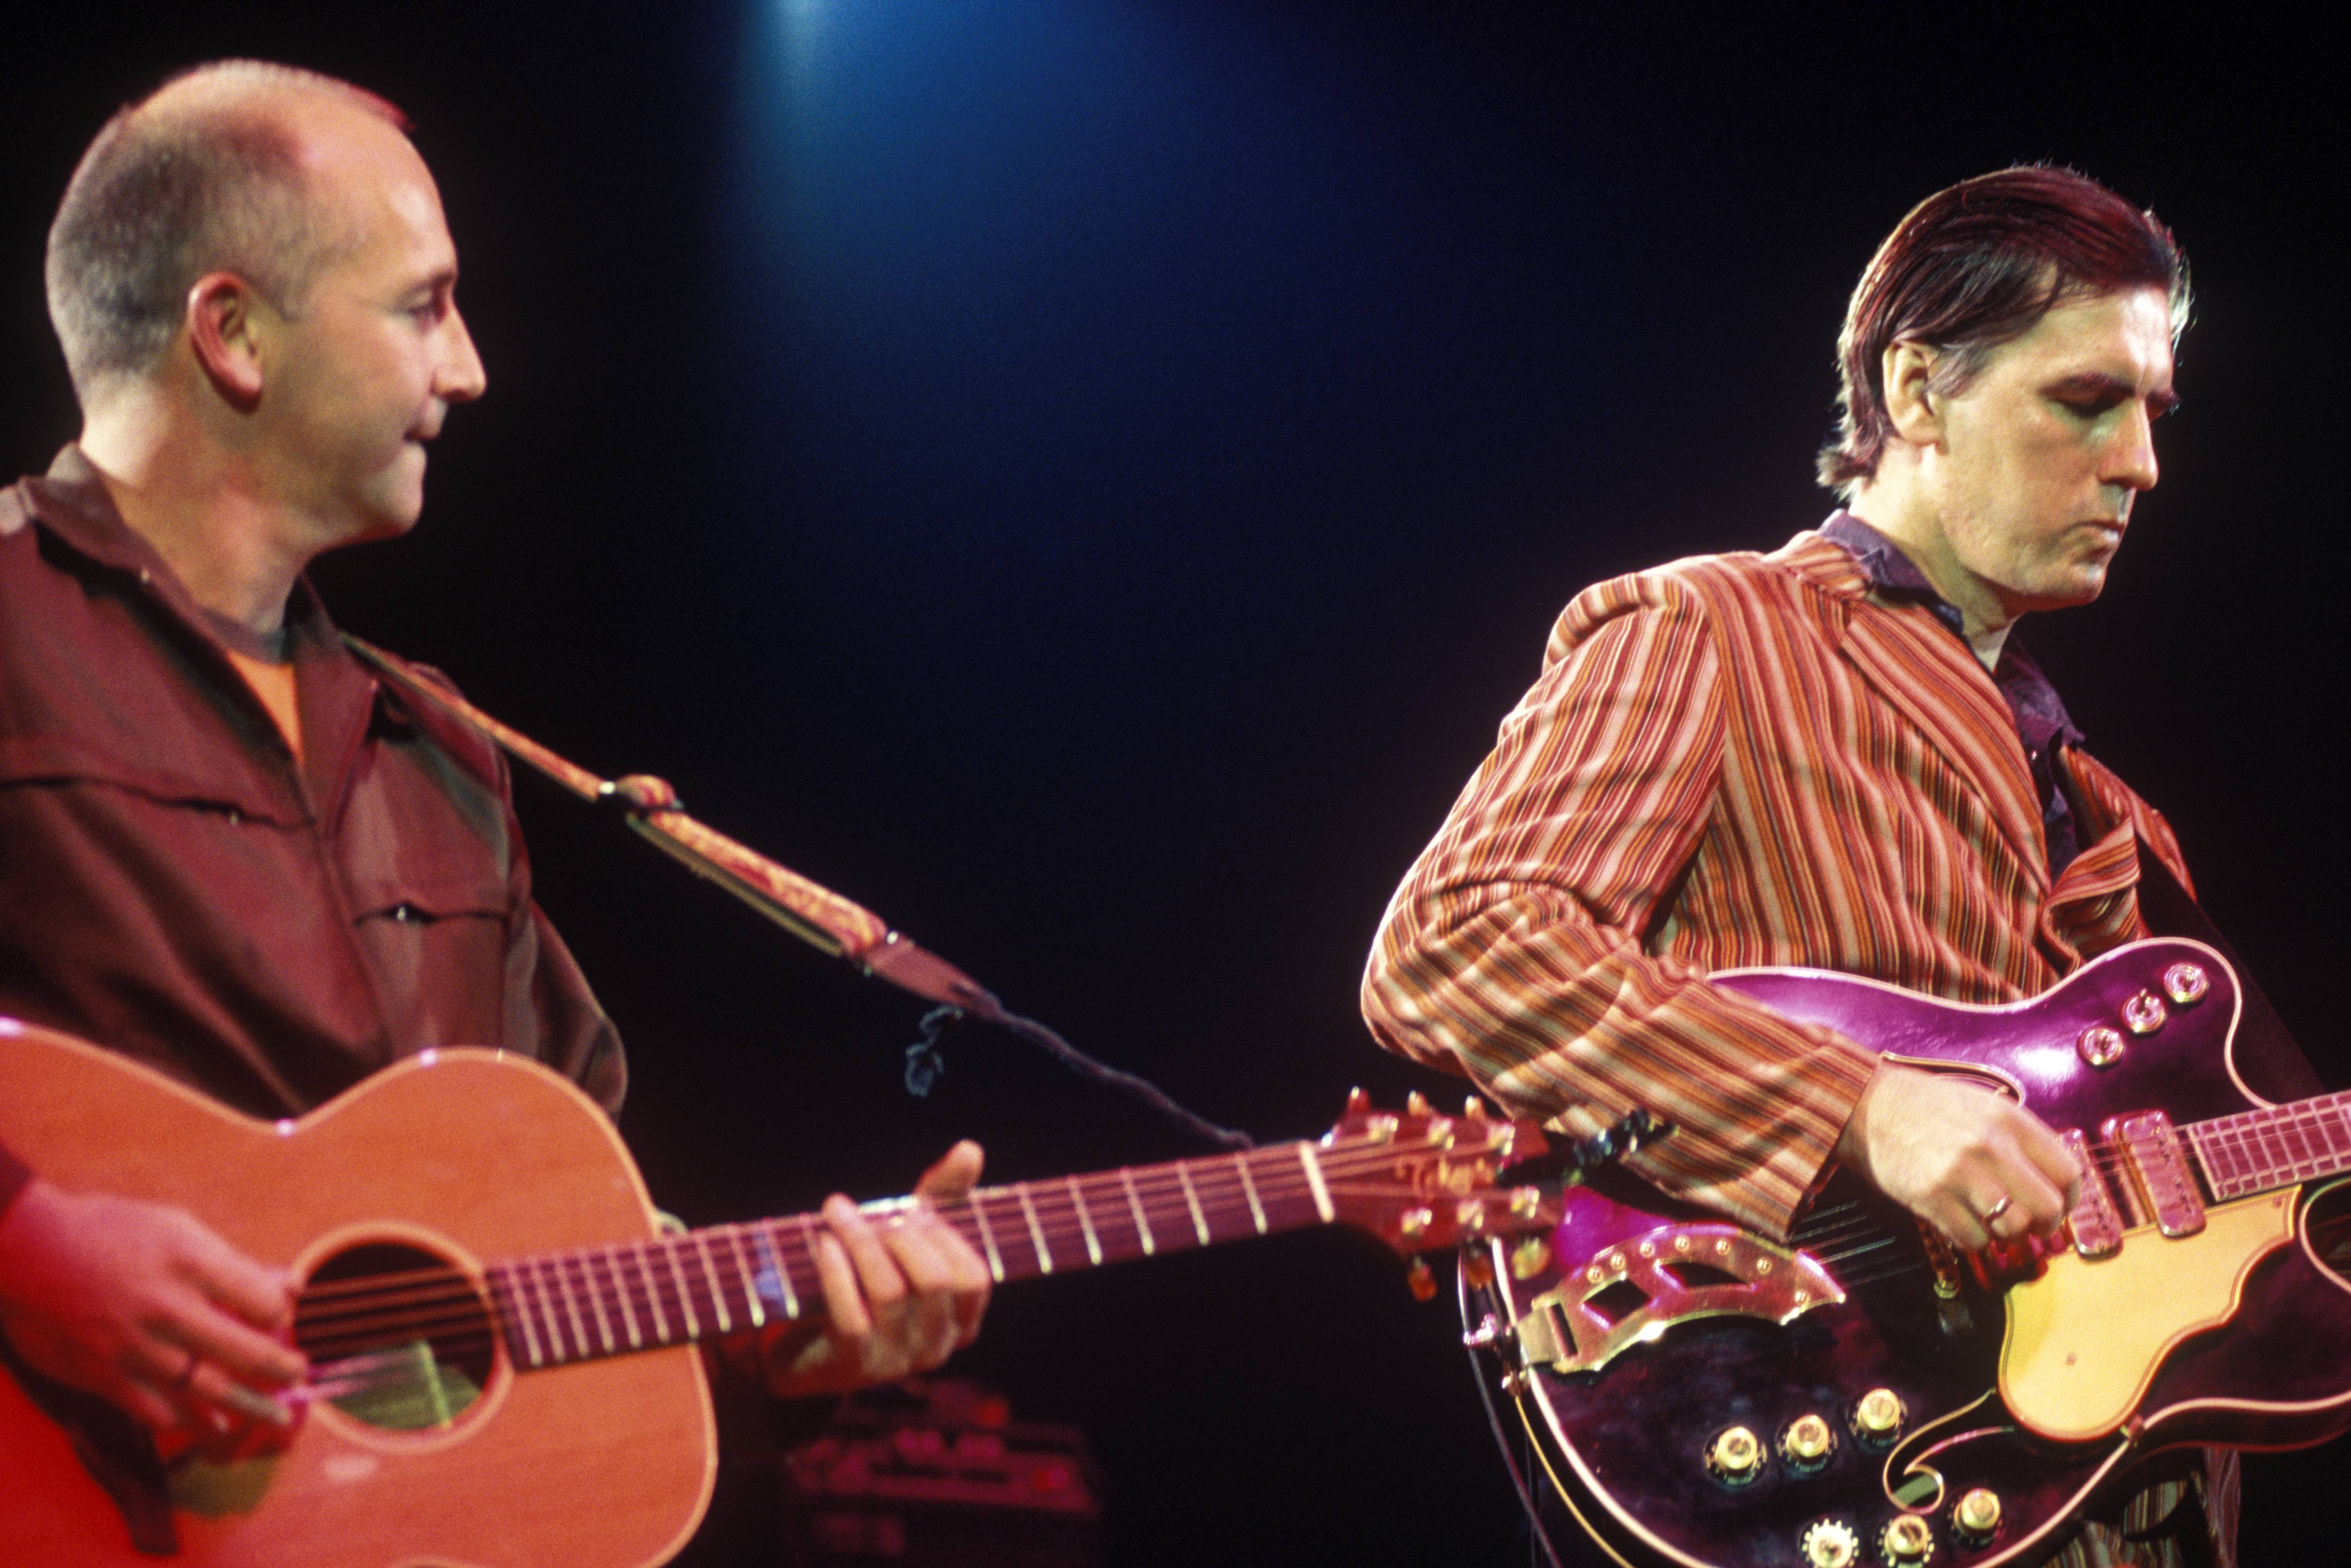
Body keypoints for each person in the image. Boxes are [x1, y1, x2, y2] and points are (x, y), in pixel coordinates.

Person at [0, 60, 990, 1472]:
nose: (469, 368)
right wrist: (27, 1244)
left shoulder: (442, 755)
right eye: (422, 305)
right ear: (234, 332)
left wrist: (779, 1331)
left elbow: (554, 1226)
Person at [1360, 166, 2313, 1566]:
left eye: (2151, 414)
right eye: (2082, 401)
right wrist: (1858, 1106)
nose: (2138, 463)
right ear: (1916, 390)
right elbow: (1455, 941)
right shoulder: (1713, 630)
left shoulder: (2123, 823)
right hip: (1829, 1463)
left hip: (2112, 1509)